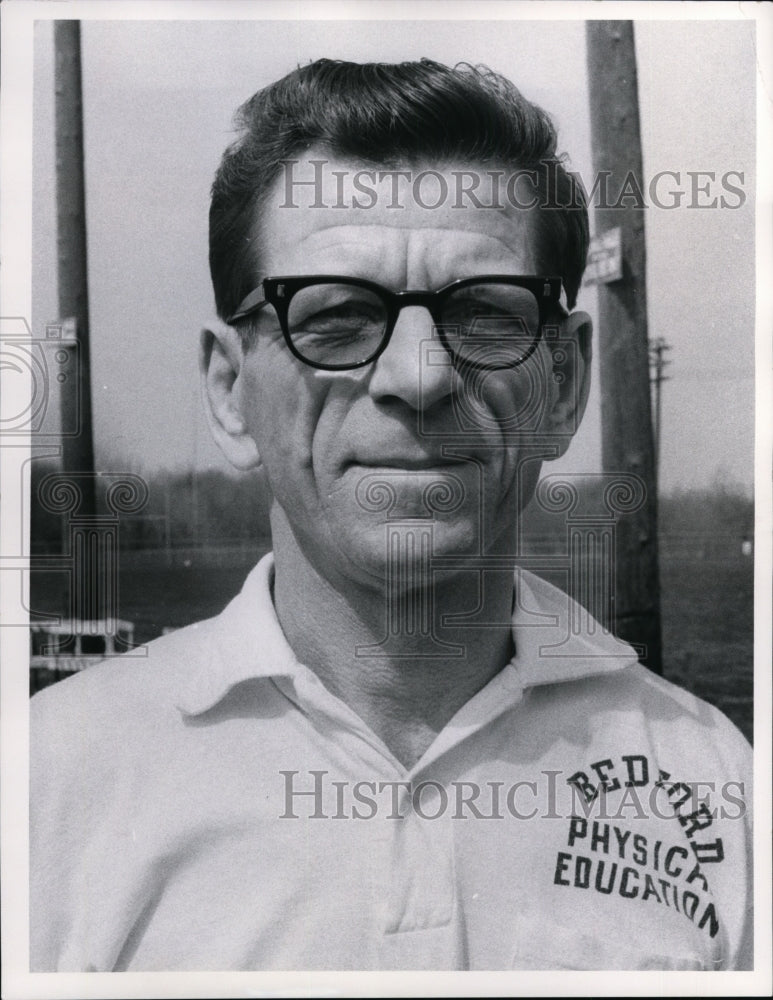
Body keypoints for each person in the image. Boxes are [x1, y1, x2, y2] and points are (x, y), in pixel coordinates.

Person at [31, 58, 752, 972]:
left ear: (562, 384)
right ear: (227, 391)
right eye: (333, 317)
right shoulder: (47, 782)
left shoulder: (716, 784)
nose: (417, 376)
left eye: (487, 315)